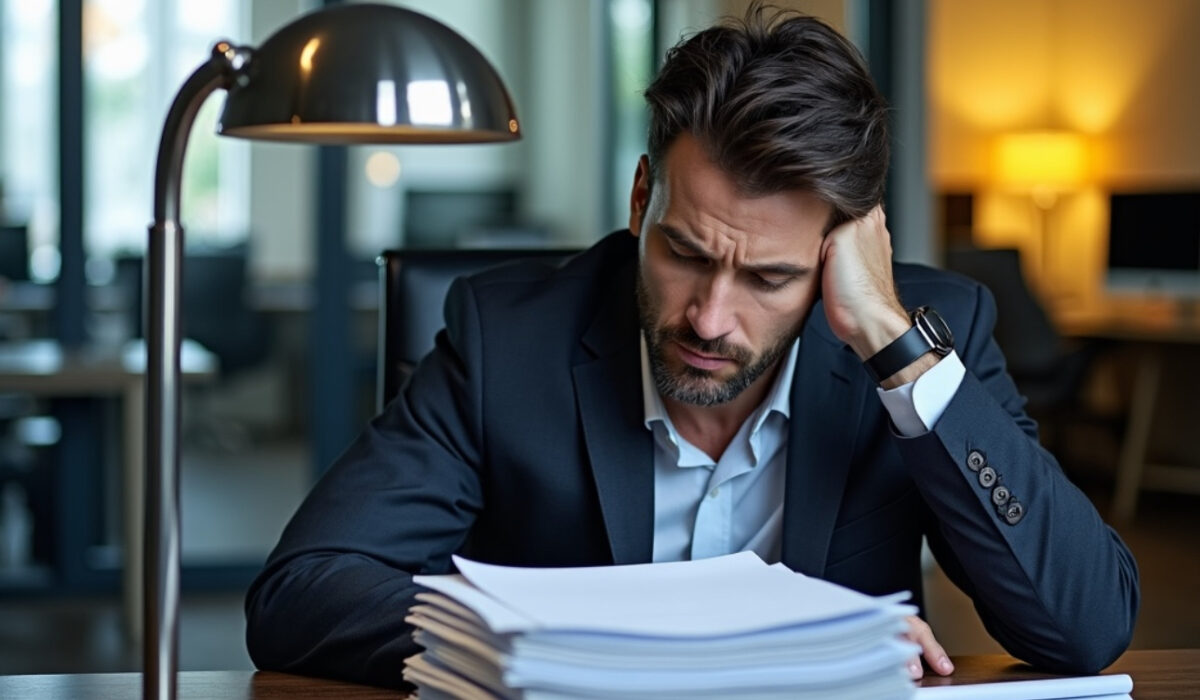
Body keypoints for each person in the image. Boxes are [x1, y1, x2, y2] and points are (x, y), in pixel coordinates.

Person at [246, 5, 1138, 690]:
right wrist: (618, 641)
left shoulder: (926, 334)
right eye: (685, 252)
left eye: (769, 278)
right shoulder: (507, 336)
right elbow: (304, 594)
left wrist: (892, 347)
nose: (710, 319)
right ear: (641, 200)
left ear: (840, 252)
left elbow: (1084, 626)